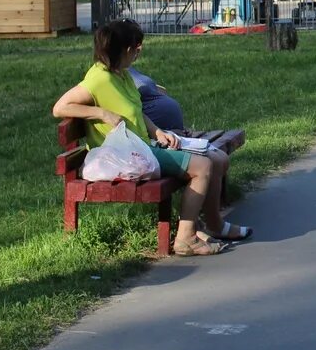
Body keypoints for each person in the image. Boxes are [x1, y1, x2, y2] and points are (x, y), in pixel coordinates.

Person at [52, 20, 249, 256]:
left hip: (144, 146)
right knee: (202, 167)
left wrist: (158, 132)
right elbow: (60, 107)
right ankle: (185, 239)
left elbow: (137, 111)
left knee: (217, 159)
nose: (139, 51)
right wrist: (101, 113)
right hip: (127, 156)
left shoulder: (121, 75)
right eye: (137, 47)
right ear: (125, 50)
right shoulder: (99, 79)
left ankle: (210, 225)